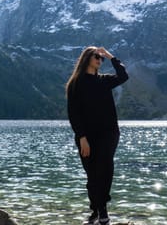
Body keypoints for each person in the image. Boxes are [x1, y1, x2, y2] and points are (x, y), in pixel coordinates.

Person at [66, 46, 129, 225]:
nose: (99, 61)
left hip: (109, 133)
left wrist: (111, 56)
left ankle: (102, 211)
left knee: (105, 170)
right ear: (87, 58)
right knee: (92, 174)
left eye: (101, 58)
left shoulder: (104, 80)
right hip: (86, 136)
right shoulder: (75, 83)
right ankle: (95, 211)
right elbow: (73, 113)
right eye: (97, 57)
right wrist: (82, 137)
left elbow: (124, 76)